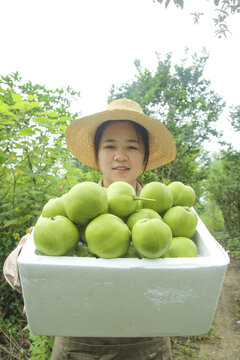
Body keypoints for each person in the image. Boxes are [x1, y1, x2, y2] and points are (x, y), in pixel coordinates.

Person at [3, 98, 176, 360]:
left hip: (148, 346)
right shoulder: (72, 208)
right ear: (97, 155)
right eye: (110, 146)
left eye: (132, 146)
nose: (120, 155)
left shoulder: (166, 211)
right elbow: (13, 268)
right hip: (78, 347)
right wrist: (30, 271)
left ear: (145, 157)